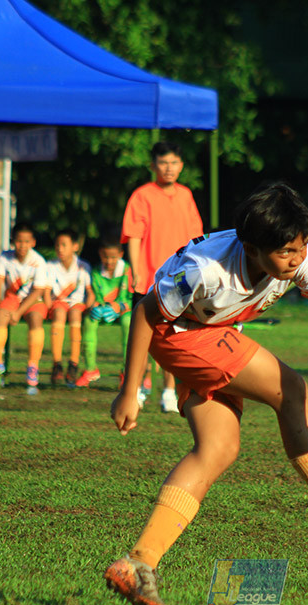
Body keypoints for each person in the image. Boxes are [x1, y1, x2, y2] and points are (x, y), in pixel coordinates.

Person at [104, 182, 308, 605]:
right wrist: (129, 391)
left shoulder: (297, 256)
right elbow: (145, 312)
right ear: (251, 248)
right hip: (179, 336)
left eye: (302, 247)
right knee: (291, 389)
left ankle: (138, 562)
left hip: (212, 333)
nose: (297, 258)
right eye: (286, 252)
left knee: (218, 448)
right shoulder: (205, 269)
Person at [121, 141, 204, 412]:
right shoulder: (142, 196)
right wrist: (135, 270)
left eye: (174, 163)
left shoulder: (185, 195)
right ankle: (137, 388)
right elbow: (133, 236)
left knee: (174, 334)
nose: (169, 168)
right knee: (143, 335)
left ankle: (169, 391)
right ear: (153, 165)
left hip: (179, 278)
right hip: (148, 277)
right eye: (163, 163)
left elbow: (196, 239)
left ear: (181, 166)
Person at [0, 223, 49, 387]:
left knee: (36, 319)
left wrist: (19, 312)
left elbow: (37, 292)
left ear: (33, 243)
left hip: (33, 301)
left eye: (26, 241)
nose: (22, 245)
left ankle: (33, 366)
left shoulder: (38, 261)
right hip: (12, 298)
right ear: (13, 241)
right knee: (0, 315)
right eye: (19, 241)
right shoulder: (5, 257)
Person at [77, 235, 134, 388]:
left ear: (120, 255)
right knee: (89, 320)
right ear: (100, 254)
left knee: (128, 323)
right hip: (104, 311)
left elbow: (133, 297)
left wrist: (120, 307)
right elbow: (95, 295)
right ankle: (90, 369)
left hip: (124, 311)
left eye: (113, 257)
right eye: (105, 257)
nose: (109, 261)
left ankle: (126, 371)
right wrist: (95, 306)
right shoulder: (96, 272)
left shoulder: (128, 270)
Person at [44, 229, 93, 385]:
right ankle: (57, 364)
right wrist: (48, 306)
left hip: (77, 304)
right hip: (58, 303)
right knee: (59, 313)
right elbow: (46, 291)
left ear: (75, 247)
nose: (60, 249)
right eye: (58, 245)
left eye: (64, 245)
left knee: (75, 314)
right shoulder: (50, 265)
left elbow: (90, 292)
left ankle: (73, 363)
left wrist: (89, 306)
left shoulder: (83, 266)